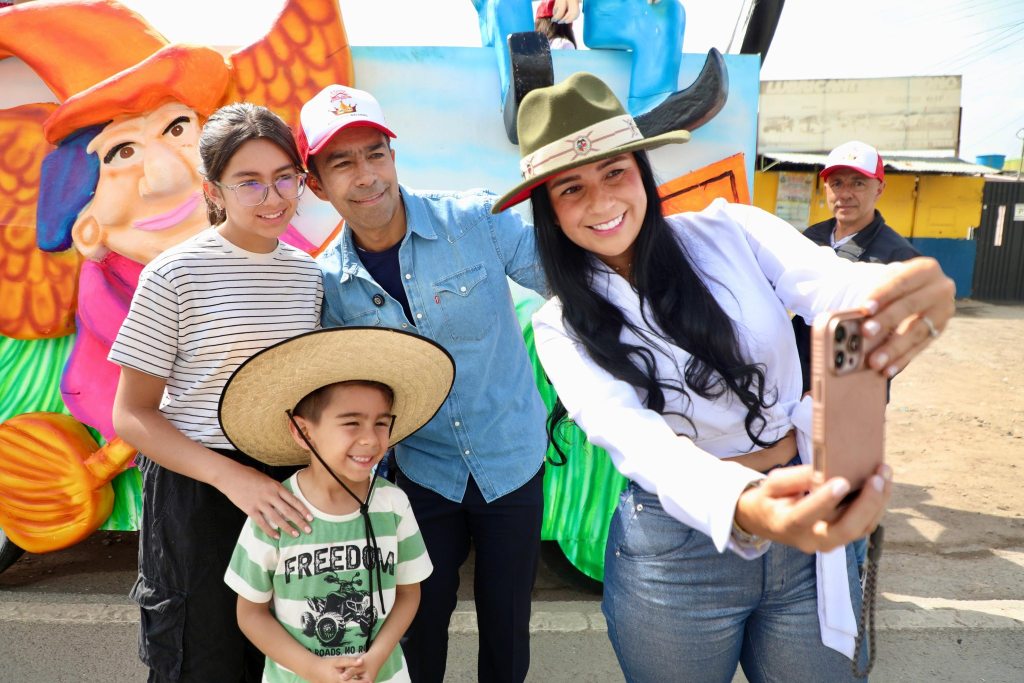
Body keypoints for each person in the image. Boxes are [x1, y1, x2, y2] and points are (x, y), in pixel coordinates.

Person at [493, 72, 955, 682]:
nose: (602, 203)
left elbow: (835, 289)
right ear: (548, 210)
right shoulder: (562, 325)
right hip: (673, 550)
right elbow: (633, 437)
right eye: (570, 189)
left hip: (805, 508)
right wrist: (743, 503)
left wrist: (899, 297)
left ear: (642, 171)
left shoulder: (730, 230)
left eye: (615, 174)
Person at [299, 84, 548, 683]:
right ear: (315, 184)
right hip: (419, 475)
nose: (366, 176)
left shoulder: (477, 220)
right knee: (416, 624)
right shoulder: (327, 286)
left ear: (392, 154)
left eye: (375, 154)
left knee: (508, 624)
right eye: (342, 162)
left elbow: (574, 285)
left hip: (511, 457)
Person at [110, 103, 323, 682]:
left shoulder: (308, 276)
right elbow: (131, 415)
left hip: (286, 493)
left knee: (285, 659)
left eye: (285, 177)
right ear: (214, 190)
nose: (273, 196)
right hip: (199, 493)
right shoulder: (174, 273)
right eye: (248, 182)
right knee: (201, 659)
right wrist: (231, 478)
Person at [219, 326, 455, 683]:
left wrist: (376, 658)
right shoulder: (274, 511)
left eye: (381, 423)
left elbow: (409, 592)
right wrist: (313, 668)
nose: (370, 439)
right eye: (351, 423)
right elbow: (250, 614)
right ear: (302, 431)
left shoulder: (393, 505)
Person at [792, 140, 922, 394]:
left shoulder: (898, 256)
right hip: (794, 385)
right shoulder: (811, 238)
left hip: (852, 396)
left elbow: (906, 341)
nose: (845, 193)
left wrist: (835, 389)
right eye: (837, 183)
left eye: (858, 182)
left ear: (879, 189)